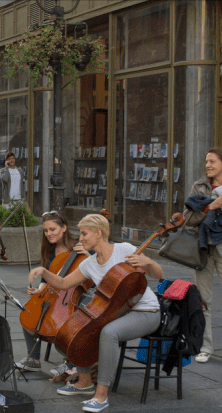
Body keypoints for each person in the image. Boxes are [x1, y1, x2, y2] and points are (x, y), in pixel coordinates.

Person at [28, 214, 162, 412]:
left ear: (98, 233)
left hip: (146, 312)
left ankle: (101, 396)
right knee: (79, 327)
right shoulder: (89, 263)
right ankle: (84, 383)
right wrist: (44, 272)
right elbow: (64, 283)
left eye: (84, 234)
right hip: (118, 312)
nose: (80, 238)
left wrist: (147, 262)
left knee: (109, 332)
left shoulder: (123, 250)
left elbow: (158, 275)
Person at [15, 211, 90, 376]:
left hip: (75, 296)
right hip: (54, 293)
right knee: (28, 312)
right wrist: (39, 290)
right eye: (46, 230)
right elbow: (46, 278)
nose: (49, 234)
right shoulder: (50, 250)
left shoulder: (79, 246)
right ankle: (33, 360)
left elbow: (96, 272)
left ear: (63, 228)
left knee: (73, 323)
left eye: (53, 229)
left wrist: (88, 255)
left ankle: (70, 364)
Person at [171, 147, 222, 363]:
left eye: (212, 161)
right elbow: (189, 218)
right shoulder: (199, 186)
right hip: (202, 249)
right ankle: (205, 347)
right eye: (206, 161)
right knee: (203, 301)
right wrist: (212, 206)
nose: (207, 165)